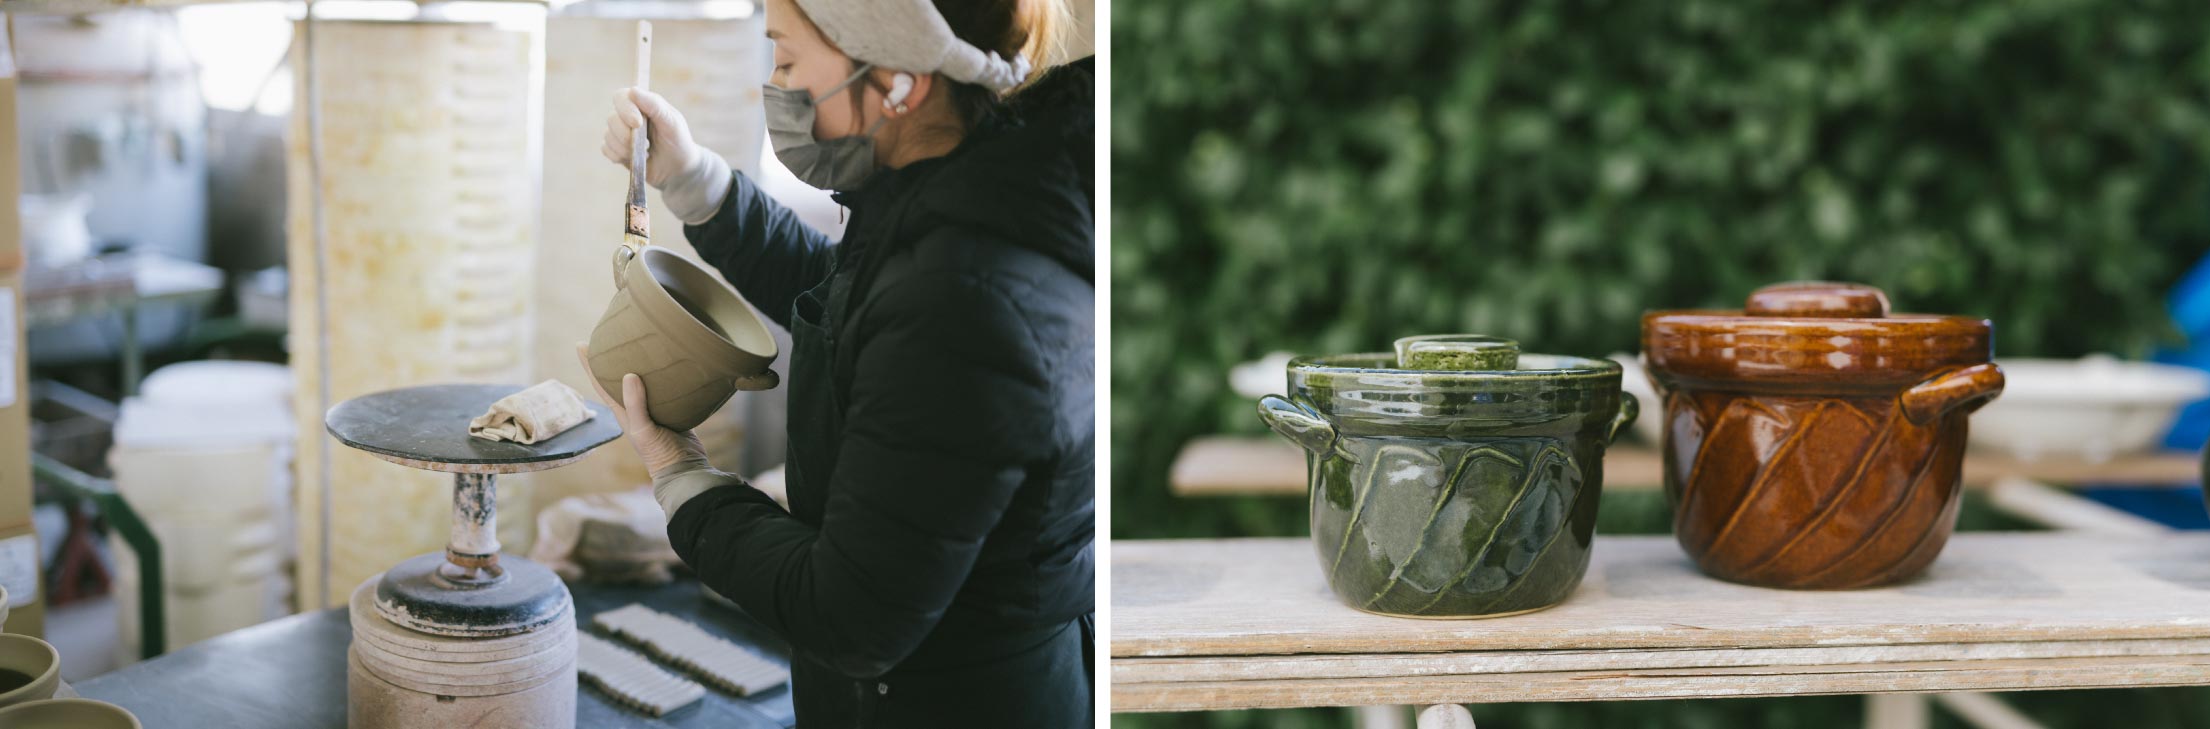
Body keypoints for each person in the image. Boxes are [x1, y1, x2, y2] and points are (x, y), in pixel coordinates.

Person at [577, 0, 1093, 726]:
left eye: (786, 59)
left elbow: (850, 615)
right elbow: (853, 298)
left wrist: (681, 476)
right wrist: (692, 179)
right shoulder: (955, 190)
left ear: (898, 77)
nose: (775, 84)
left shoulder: (969, 301)